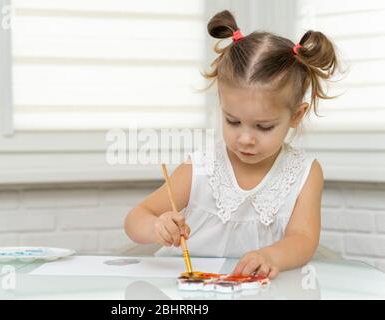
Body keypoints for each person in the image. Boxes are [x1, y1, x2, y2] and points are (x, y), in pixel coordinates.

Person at [124, 10, 341, 279]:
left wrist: (271, 256)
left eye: (264, 127)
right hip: (190, 289)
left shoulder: (305, 173)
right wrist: (155, 225)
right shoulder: (203, 166)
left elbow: (303, 239)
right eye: (233, 121)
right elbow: (135, 218)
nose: (245, 138)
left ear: (296, 115)